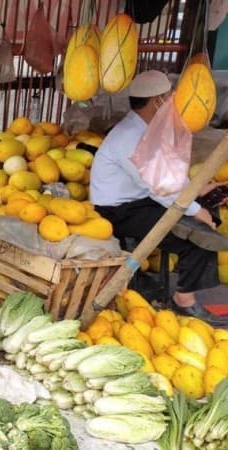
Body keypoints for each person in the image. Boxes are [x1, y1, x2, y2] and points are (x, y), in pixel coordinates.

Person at [90, 70, 228, 326]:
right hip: (119, 211)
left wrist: (197, 191)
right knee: (199, 235)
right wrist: (195, 210)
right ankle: (184, 300)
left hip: (141, 201)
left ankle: (184, 287)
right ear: (157, 102)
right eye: (168, 97)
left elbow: (167, 175)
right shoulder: (131, 136)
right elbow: (158, 187)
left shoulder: (148, 127)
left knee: (208, 214)